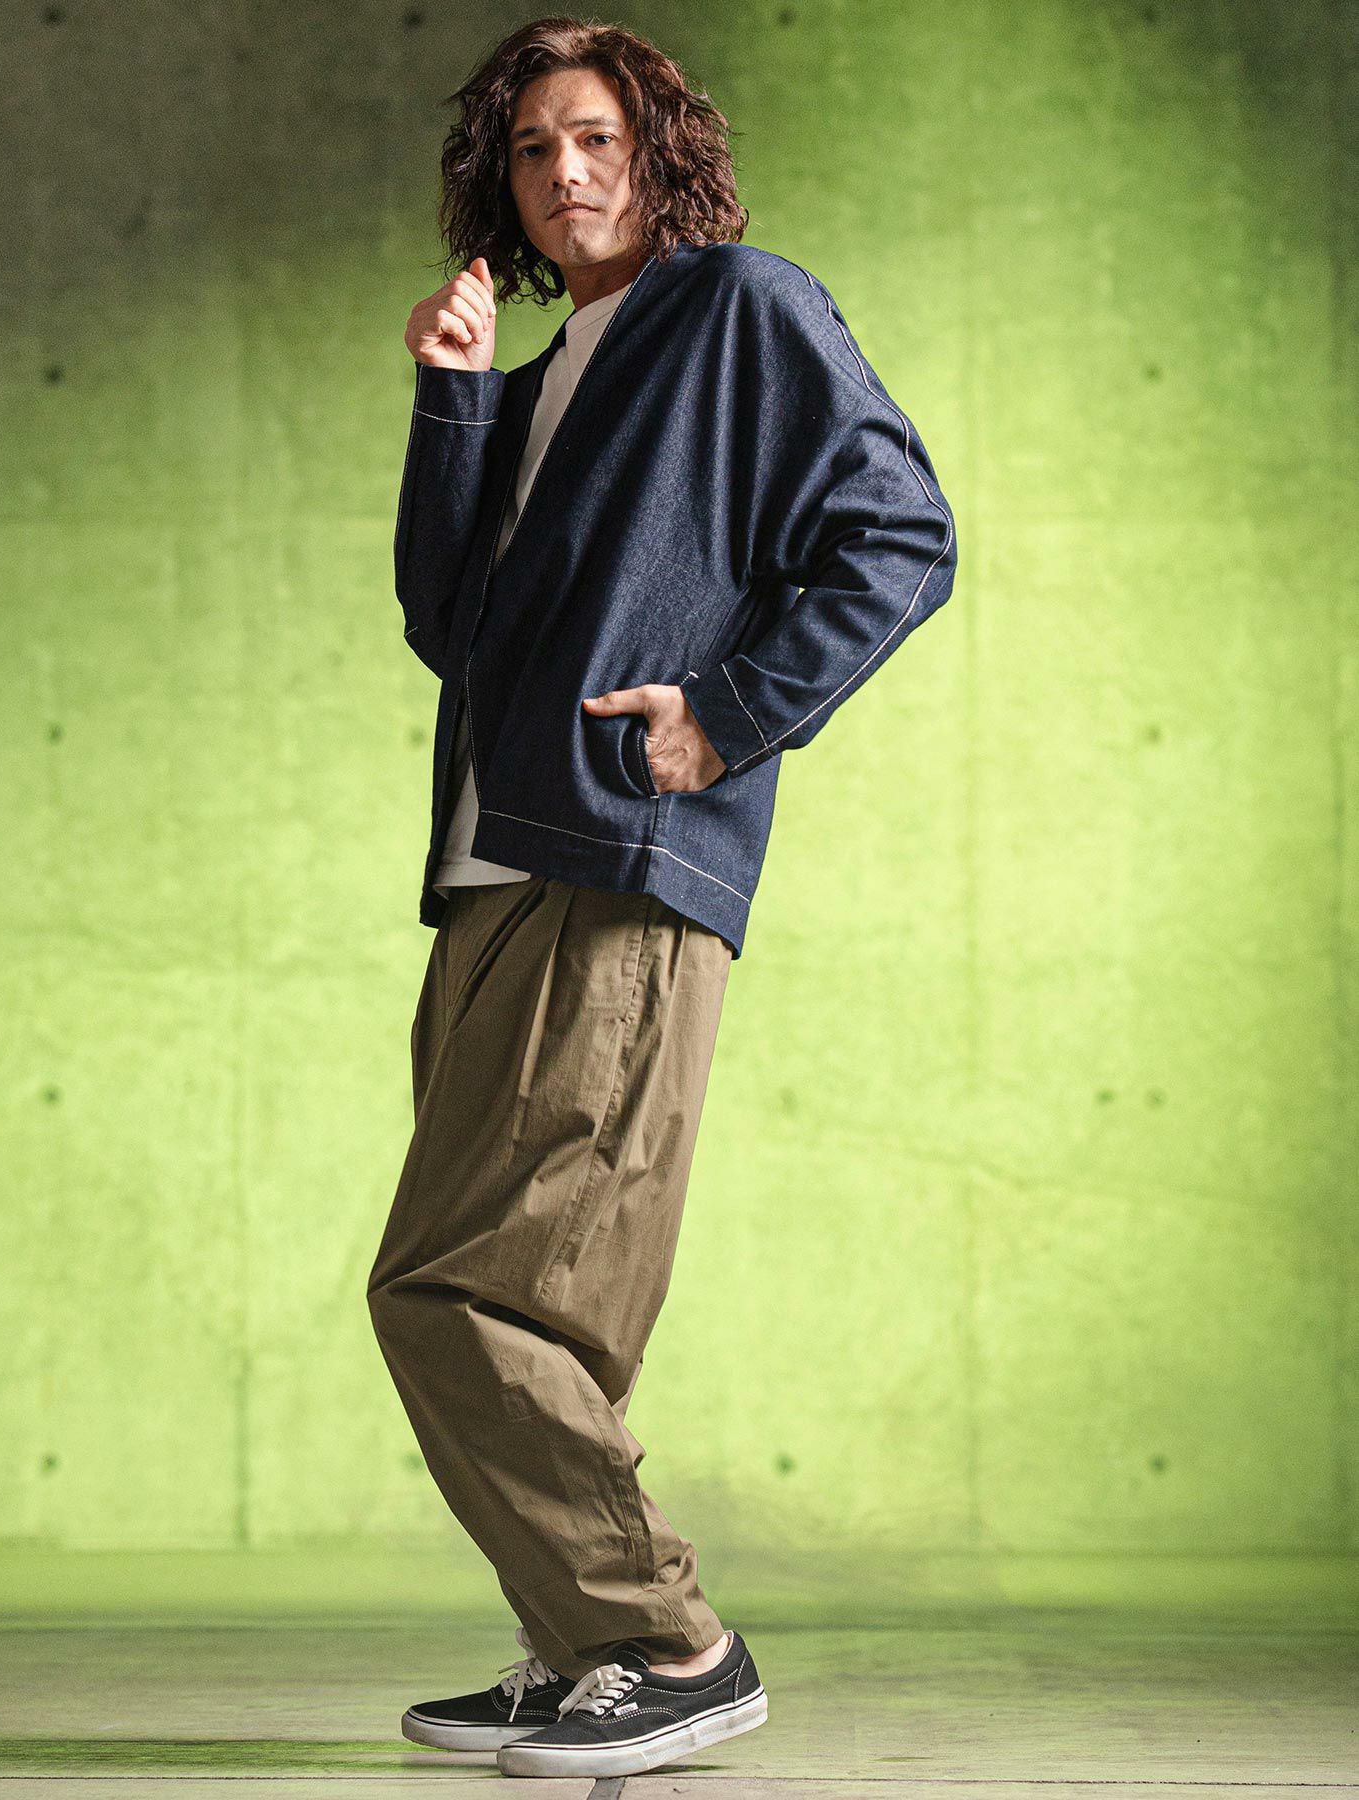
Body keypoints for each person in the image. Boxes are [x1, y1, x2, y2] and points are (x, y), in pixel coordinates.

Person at [367, 15, 958, 1782]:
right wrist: (458, 396)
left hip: (613, 855)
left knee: (457, 1293)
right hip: (493, 869)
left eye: (598, 139)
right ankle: (588, 1648)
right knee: (554, 1300)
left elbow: (901, 531)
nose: (567, 172)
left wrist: (728, 713)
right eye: (534, 148)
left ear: (659, 153)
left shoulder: (736, 310)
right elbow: (453, 629)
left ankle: (665, 1642)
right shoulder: (558, 365)